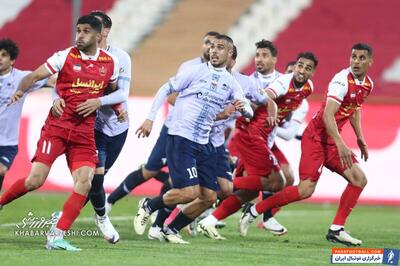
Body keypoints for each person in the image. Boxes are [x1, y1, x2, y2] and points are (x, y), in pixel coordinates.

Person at [0, 15, 119, 251]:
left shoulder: (110, 62)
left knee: (84, 183)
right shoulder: (65, 56)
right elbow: (33, 76)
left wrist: (113, 106)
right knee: (35, 180)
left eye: (85, 31)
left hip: (84, 134)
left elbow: (113, 89)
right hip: (57, 128)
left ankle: (56, 237)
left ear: (98, 36)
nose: (80, 36)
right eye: (78, 30)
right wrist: (20, 91)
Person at [240, 43, 373, 247]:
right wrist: (341, 144)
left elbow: (354, 108)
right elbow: (328, 115)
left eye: (361, 58)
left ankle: (336, 229)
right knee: (305, 190)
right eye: (353, 56)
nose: (356, 61)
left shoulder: (367, 84)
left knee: (359, 179)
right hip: (316, 139)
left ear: (370, 62)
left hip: (332, 140)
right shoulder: (341, 80)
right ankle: (255, 210)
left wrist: (360, 137)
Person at [133, 34, 253, 244]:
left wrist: (245, 109)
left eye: (220, 47)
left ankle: (171, 229)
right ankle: (148, 205)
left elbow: (248, 110)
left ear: (230, 54)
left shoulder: (231, 83)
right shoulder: (195, 71)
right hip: (182, 137)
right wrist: (149, 119)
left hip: (204, 143)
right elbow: (166, 89)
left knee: (210, 197)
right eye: (213, 47)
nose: (214, 50)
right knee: (189, 193)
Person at [198, 51, 318, 240]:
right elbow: (265, 97)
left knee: (251, 191)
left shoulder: (307, 88)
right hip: (253, 135)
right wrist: (253, 113)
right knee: (277, 181)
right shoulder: (282, 84)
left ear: (312, 73)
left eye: (307, 68)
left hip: (263, 137)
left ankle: (209, 221)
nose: (302, 71)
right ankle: (213, 185)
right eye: (300, 66)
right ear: (294, 66)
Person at [106, 31, 220, 210]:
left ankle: (162, 221)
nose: (210, 48)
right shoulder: (189, 67)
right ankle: (110, 200)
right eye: (207, 43)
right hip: (175, 129)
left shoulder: (222, 76)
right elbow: (172, 97)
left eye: (214, 45)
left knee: (190, 181)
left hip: (201, 136)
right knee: (151, 170)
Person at [51, 10, 131, 244]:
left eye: (95, 27)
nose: (85, 33)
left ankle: (68, 216)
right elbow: (60, 83)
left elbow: (122, 93)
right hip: (90, 126)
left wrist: (99, 101)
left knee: (98, 177)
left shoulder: (120, 58)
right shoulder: (75, 55)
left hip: (116, 127)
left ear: (105, 31)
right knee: (95, 178)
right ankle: (101, 217)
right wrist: (56, 97)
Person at [0, 38, 50, 191]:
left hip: (8, 142)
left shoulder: (23, 78)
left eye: (4, 55)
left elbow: (50, 79)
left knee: (1, 169)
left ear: (13, 60)